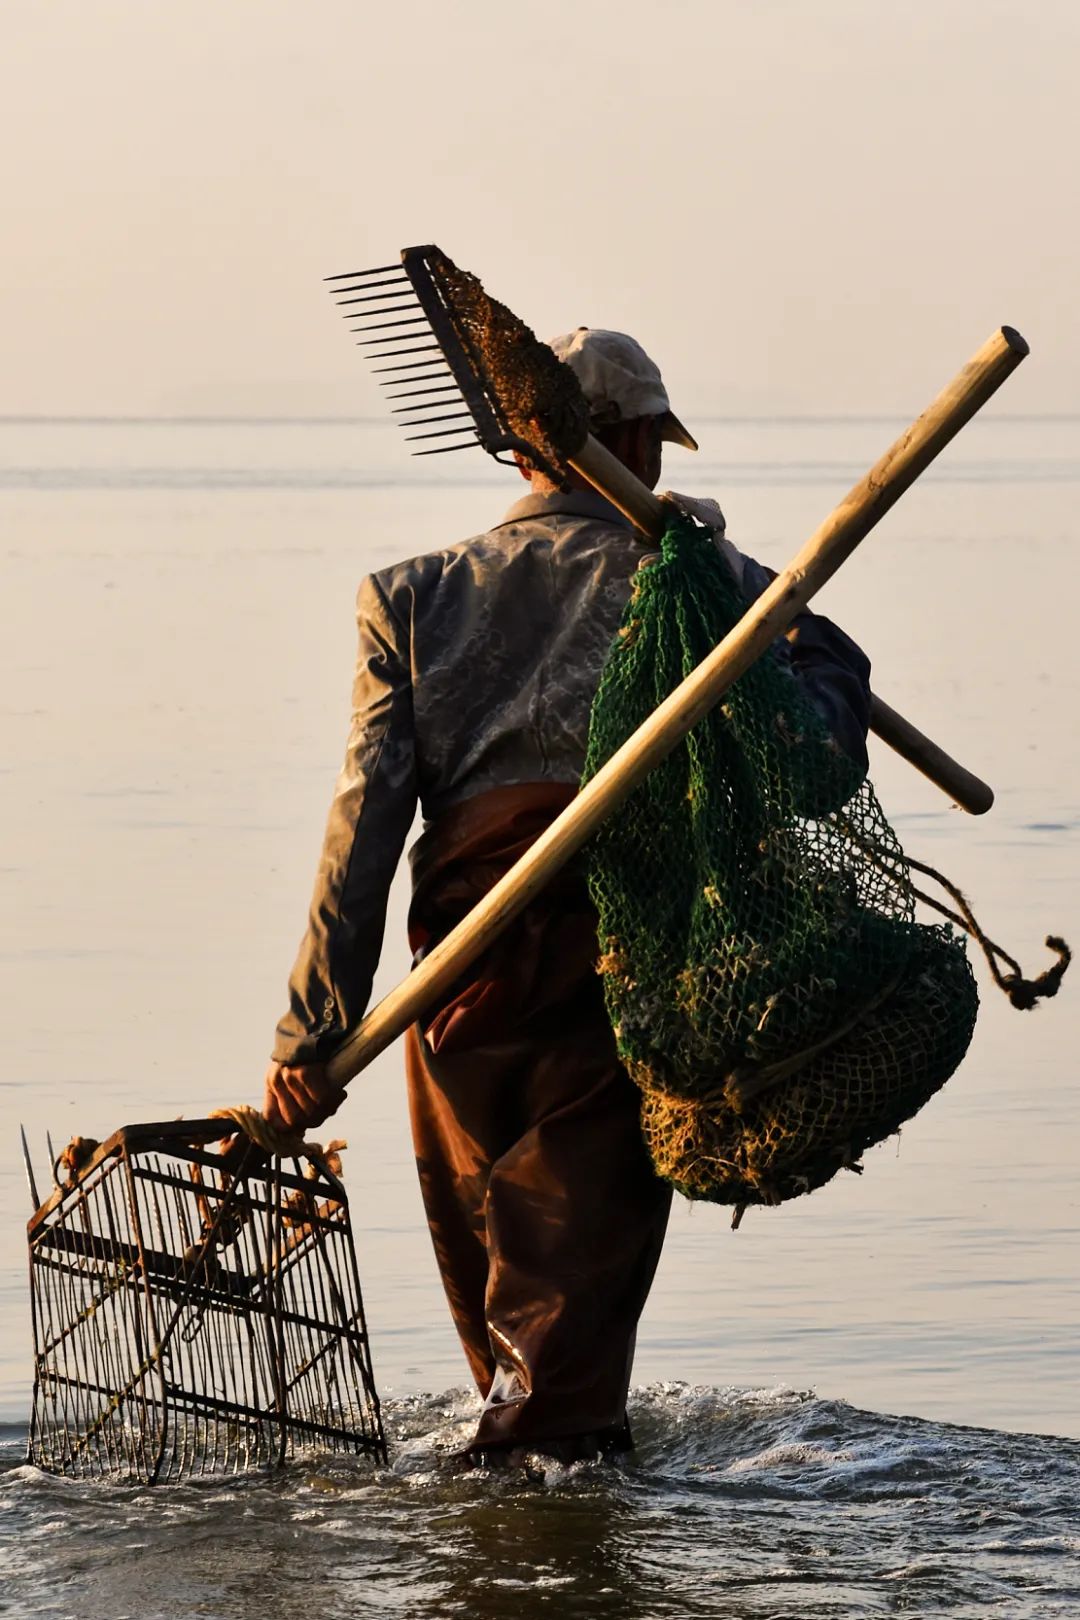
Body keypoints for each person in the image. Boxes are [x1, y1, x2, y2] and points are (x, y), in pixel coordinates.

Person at [260, 328, 873, 1464]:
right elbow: (815, 767)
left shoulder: (409, 596)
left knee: (509, 1343)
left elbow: (363, 830)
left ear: (518, 449)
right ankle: (548, 1543)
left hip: (454, 996)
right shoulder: (709, 591)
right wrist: (822, 648)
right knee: (559, 1385)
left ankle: (517, 1555)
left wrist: (314, 1030)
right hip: (623, 983)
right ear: (636, 440)